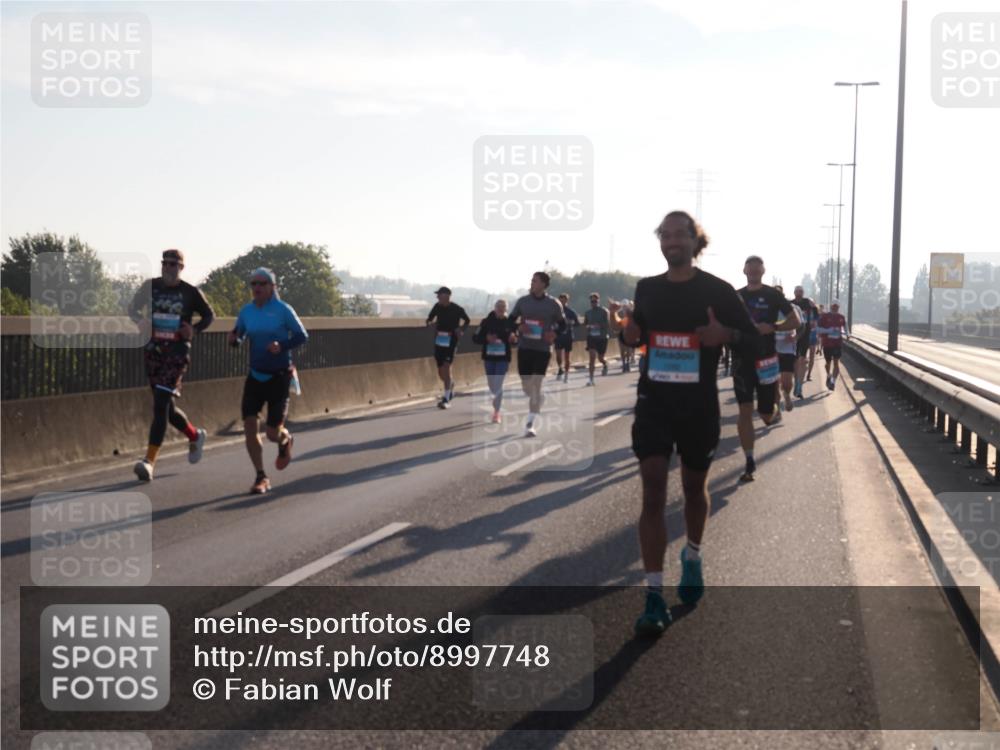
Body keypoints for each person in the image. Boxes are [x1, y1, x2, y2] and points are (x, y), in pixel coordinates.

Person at [625, 210, 760, 637]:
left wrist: (729, 337)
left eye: (679, 234)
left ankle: (694, 555)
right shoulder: (646, 289)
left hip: (698, 405)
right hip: (654, 403)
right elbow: (635, 335)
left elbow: (755, 338)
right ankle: (652, 595)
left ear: (694, 240)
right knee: (652, 489)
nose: (671, 241)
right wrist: (627, 330)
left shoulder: (717, 291)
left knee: (693, 490)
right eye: (665, 234)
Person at [128, 249, 215, 482]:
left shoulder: (190, 292)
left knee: (160, 405)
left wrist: (194, 330)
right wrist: (141, 321)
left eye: (174, 264)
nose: (168, 268)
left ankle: (149, 461)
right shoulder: (151, 286)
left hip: (176, 353)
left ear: (181, 268)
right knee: (166, 408)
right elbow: (131, 309)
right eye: (165, 263)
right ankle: (195, 435)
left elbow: (209, 316)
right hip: (153, 351)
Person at [228, 268, 308, 494]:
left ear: (272, 287)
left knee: (272, 433)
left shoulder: (283, 310)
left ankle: (285, 440)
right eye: (253, 284)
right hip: (255, 376)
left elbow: (302, 336)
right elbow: (239, 336)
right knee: (250, 425)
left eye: (262, 283)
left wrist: (281, 346)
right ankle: (261, 476)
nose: (257, 288)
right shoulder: (247, 312)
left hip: (279, 377)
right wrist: (234, 340)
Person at [733, 256, 800, 483]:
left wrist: (772, 326)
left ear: (763, 270)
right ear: (744, 270)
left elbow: (795, 320)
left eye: (756, 268)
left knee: (765, 414)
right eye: (749, 267)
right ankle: (749, 460)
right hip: (742, 360)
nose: (753, 271)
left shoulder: (773, 295)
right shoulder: (736, 296)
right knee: (744, 410)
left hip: (766, 359)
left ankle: (773, 406)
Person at [508, 272, 566, 437]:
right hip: (525, 347)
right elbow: (509, 321)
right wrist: (518, 328)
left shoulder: (553, 304)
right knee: (527, 386)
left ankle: (530, 423)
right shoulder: (523, 301)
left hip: (543, 349)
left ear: (543, 284)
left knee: (537, 382)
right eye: (532, 280)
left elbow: (563, 326)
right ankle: (539, 398)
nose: (531, 283)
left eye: (535, 281)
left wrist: (554, 333)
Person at [425, 287, 470, 409]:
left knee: (446, 365)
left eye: (439, 295)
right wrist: (430, 324)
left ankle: (446, 398)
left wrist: (461, 330)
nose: (437, 297)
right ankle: (450, 385)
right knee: (441, 371)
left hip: (451, 341)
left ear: (447, 296)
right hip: (439, 340)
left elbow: (467, 320)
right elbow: (428, 319)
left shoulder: (457, 309)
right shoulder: (437, 307)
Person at [472, 299, 515, 423]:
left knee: (498, 383)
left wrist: (514, 338)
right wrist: (486, 338)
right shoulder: (486, 322)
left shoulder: (510, 323)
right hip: (489, 357)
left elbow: (516, 338)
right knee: (492, 386)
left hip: (503, 358)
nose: (501, 309)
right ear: (495, 308)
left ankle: (496, 412)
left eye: (503, 307)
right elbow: (475, 338)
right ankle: (496, 401)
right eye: (499, 306)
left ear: (506, 309)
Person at [790, 286, 818, 398]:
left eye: (801, 292)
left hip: (805, 334)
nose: (799, 294)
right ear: (794, 292)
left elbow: (816, 311)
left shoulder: (807, 302)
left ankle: (799, 386)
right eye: (797, 292)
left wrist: (814, 321)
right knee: (795, 362)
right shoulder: (790, 303)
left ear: (803, 293)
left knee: (802, 360)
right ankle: (797, 381)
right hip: (793, 335)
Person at [817, 299, 848, 390]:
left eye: (837, 306)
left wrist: (847, 333)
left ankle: (833, 382)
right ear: (831, 306)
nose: (835, 308)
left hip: (837, 343)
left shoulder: (841, 317)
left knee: (836, 363)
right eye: (833, 306)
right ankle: (829, 375)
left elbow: (845, 328)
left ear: (838, 307)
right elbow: (818, 329)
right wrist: (829, 330)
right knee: (828, 363)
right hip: (827, 343)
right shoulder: (824, 316)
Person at [582, 292, 611, 385]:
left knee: (600, 358)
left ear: (598, 300)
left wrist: (598, 325)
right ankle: (591, 380)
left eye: (595, 301)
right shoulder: (587, 312)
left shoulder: (604, 311)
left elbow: (607, 324)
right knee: (592, 358)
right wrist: (588, 327)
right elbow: (585, 324)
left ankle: (605, 364)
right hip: (591, 338)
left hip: (602, 337)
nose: (593, 303)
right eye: (592, 301)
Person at [554, 293, 579, 383]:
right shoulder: (555, 312)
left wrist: (570, 322)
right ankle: (560, 368)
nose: (562, 302)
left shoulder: (571, 312)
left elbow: (577, 323)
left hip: (568, 336)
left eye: (564, 300)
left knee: (567, 357)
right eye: (560, 300)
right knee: (558, 355)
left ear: (567, 301)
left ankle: (566, 375)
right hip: (558, 336)